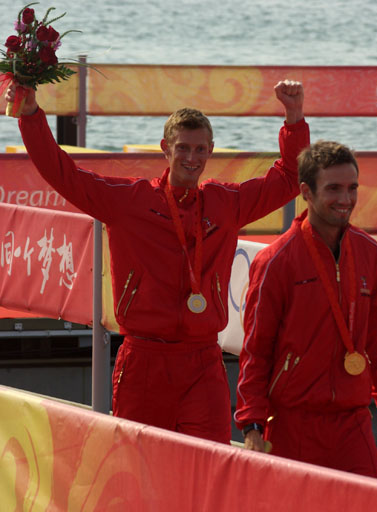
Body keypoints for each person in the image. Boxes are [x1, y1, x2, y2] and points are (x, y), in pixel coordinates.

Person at [4, 80, 309, 444]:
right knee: (140, 475)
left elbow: (290, 178)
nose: (191, 158)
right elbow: (62, 174)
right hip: (143, 361)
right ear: (165, 148)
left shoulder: (226, 204)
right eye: (182, 148)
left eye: (200, 149)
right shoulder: (129, 201)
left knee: (206, 475)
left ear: (211, 150)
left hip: (203, 363)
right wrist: (31, 117)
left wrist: (294, 118)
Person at [234, 140, 377, 477]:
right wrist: (252, 425)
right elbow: (255, 351)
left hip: (353, 420)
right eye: (333, 189)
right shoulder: (275, 261)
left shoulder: (369, 252)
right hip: (292, 421)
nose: (345, 199)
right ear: (306, 192)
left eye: (352, 188)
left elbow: (374, 339)